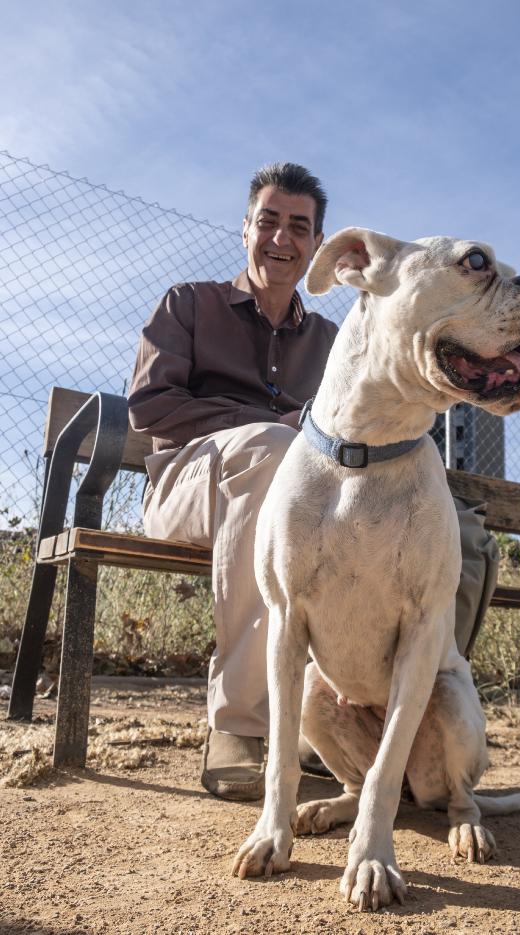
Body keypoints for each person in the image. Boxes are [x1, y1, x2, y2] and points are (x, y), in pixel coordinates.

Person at [128, 162, 338, 802]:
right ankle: (239, 725)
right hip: (186, 488)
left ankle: (330, 727)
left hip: (296, 496)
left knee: (392, 511)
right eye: (268, 221)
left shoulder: (331, 340)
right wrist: (268, 424)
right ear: (245, 228)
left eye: (298, 227)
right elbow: (150, 406)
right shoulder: (188, 304)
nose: (282, 238)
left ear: (316, 245)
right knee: (274, 451)